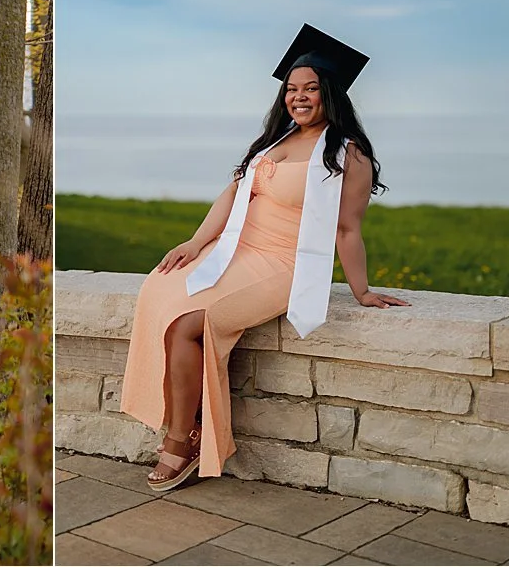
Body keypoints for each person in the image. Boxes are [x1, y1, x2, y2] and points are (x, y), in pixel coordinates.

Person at [119, 27, 408, 490]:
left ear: (330, 94)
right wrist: (196, 243)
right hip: (234, 251)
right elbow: (234, 194)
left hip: (283, 265)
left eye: (310, 88)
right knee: (159, 288)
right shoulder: (276, 142)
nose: (299, 97)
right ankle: (178, 421)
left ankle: (182, 439)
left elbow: (347, 229)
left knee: (188, 323)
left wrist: (362, 291)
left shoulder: (347, 156)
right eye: (292, 89)